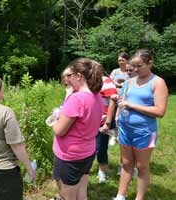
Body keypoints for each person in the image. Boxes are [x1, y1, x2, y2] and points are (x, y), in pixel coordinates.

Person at [113, 49, 168, 200]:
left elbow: (160, 111)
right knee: (126, 163)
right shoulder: (129, 82)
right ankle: (120, 196)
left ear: (150, 63)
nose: (135, 70)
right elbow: (122, 99)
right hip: (125, 129)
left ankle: (139, 197)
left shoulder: (157, 82)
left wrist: (132, 106)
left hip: (144, 131)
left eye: (139, 66)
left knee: (142, 166)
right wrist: (117, 100)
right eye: (134, 66)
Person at [52, 58, 104, 200]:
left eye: (71, 76)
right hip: (87, 151)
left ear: (79, 76)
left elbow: (59, 130)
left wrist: (55, 120)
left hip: (70, 155)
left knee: (67, 194)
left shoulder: (77, 99)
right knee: (81, 191)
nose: (68, 80)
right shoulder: (97, 96)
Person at [93, 61, 117, 183]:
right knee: (91, 146)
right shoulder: (90, 83)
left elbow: (112, 101)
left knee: (101, 147)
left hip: (103, 121)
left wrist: (108, 122)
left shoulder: (106, 82)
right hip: (91, 121)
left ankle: (102, 171)